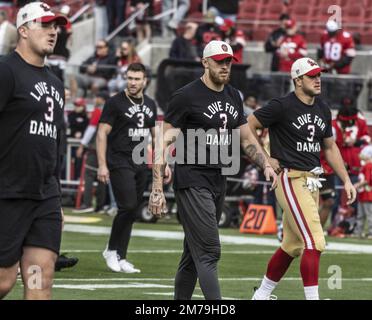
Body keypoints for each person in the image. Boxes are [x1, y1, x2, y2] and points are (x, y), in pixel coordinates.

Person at [148, 40, 277, 300]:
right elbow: (163, 140)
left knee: (192, 254)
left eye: (228, 61)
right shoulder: (185, 96)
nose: (225, 66)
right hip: (192, 178)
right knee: (209, 250)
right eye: (219, 61)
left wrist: (265, 164)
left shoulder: (233, 95)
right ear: (205, 62)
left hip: (219, 178)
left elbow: (246, 138)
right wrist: (157, 187)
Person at [248, 57, 357, 300]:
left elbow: (330, 148)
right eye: (312, 76)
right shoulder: (282, 105)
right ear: (297, 80)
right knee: (315, 240)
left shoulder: (322, 108)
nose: (318, 79)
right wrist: (265, 158)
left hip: (312, 180)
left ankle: (262, 295)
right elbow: (248, 125)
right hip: (290, 177)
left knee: (292, 245)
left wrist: (347, 180)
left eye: (319, 75)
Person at [0, 2, 68, 299]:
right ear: (24, 30)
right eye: (45, 24)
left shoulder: (55, 82)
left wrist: (57, 195)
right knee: (3, 281)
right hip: (8, 191)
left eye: (56, 26)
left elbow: (54, 141)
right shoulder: (5, 71)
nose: (53, 31)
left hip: (45, 196)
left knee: (41, 279)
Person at [97, 63, 171, 273]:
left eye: (137, 79)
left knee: (132, 210)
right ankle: (111, 250)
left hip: (140, 161)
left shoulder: (150, 103)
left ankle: (121, 256)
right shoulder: (115, 102)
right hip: (119, 160)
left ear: (145, 81)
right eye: (130, 78)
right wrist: (102, 165)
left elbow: (156, 137)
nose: (132, 82)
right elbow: (102, 133)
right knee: (127, 205)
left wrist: (163, 164)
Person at [74, 91, 110, 214]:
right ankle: (100, 205)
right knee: (103, 176)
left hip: (95, 148)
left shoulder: (98, 111)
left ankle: (87, 203)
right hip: (108, 148)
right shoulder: (112, 111)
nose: (95, 100)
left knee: (89, 175)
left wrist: (82, 145)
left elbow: (91, 129)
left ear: (102, 99)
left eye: (97, 98)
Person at [352, 145, 372, 239]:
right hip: (363, 194)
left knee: (368, 214)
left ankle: (369, 232)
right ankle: (358, 231)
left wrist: (357, 185)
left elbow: (367, 180)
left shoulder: (368, 166)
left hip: (367, 194)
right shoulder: (365, 166)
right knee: (361, 214)